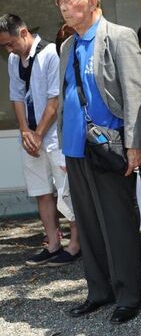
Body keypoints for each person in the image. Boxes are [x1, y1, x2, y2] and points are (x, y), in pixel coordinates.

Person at [56, 0, 141, 324]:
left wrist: (134, 145)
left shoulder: (119, 37)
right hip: (76, 149)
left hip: (110, 148)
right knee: (88, 224)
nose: (63, 6)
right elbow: (66, 97)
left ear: (92, 0)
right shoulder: (67, 45)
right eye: (60, 0)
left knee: (118, 223)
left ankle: (128, 296)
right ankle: (98, 291)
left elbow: (137, 95)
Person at [0, 14, 81, 267]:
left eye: (10, 43)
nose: (8, 49)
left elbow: (54, 100)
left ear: (23, 33)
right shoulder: (14, 60)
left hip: (54, 135)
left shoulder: (49, 53)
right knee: (41, 191)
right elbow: (16, 96)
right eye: (4, 46)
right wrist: (25, 131)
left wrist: (38, 133)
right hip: (31, 136)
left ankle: (76, 244)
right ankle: (53, 242)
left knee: (66, 191)